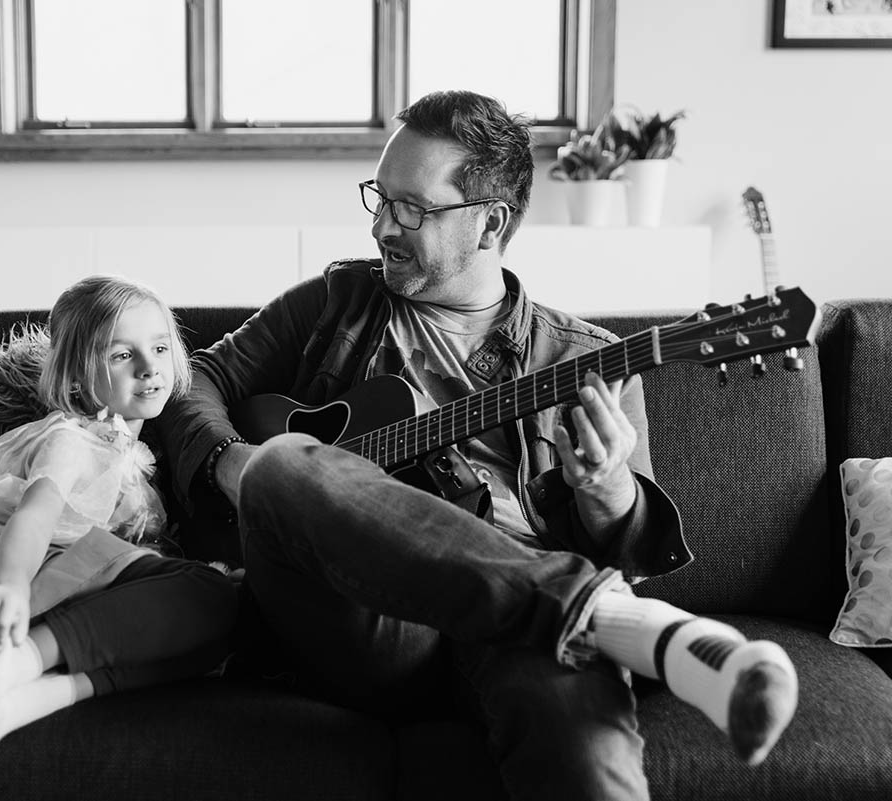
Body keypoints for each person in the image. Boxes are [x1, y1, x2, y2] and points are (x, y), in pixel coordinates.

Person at [156, 90, 798, 799]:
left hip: (520, 628)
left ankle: (595, 615)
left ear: (490, 222)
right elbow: (195, 379)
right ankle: (604, 615)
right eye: (379, 198)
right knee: (279, 467)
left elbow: (633, 547)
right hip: (361, 623)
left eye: (412, 209)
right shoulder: (337, 303)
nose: (382, 226)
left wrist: (608, 489)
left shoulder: (590, 360)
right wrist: (226, 461)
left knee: (581, 747)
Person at [0, 276, 237, 752]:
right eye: (122, 355)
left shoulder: (134, 454)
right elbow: (37, 510)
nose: (149, 367)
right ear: (75, 378)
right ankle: (20, 653)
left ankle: (24, 691)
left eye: (161, 349)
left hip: (75, 598)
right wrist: (9, 585)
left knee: (221, 629)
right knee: (213, 595)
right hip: (32, 578)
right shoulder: (73, 439)